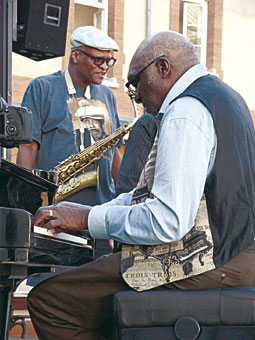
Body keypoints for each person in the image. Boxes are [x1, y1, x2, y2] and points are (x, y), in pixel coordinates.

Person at [27, 30, 255, 340]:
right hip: (237, 253)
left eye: (135, 82)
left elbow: (168, 220)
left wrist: (86, 219)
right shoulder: (227, 98)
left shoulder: (185, 113)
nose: (134, 95)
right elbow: (150, 193)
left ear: (163, 68)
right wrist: (85, 212)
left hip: (210, 263)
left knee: (50, 300)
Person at [16, 26, 123, 260]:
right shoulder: (42, 88)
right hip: (55, 219)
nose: (105, 67)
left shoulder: (108, 96)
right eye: (98, 60)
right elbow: (28, 147)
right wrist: (25, 207)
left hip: (100, 219)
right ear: (76, 55)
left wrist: (127, 203)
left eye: (110, 61)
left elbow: (114, 152)